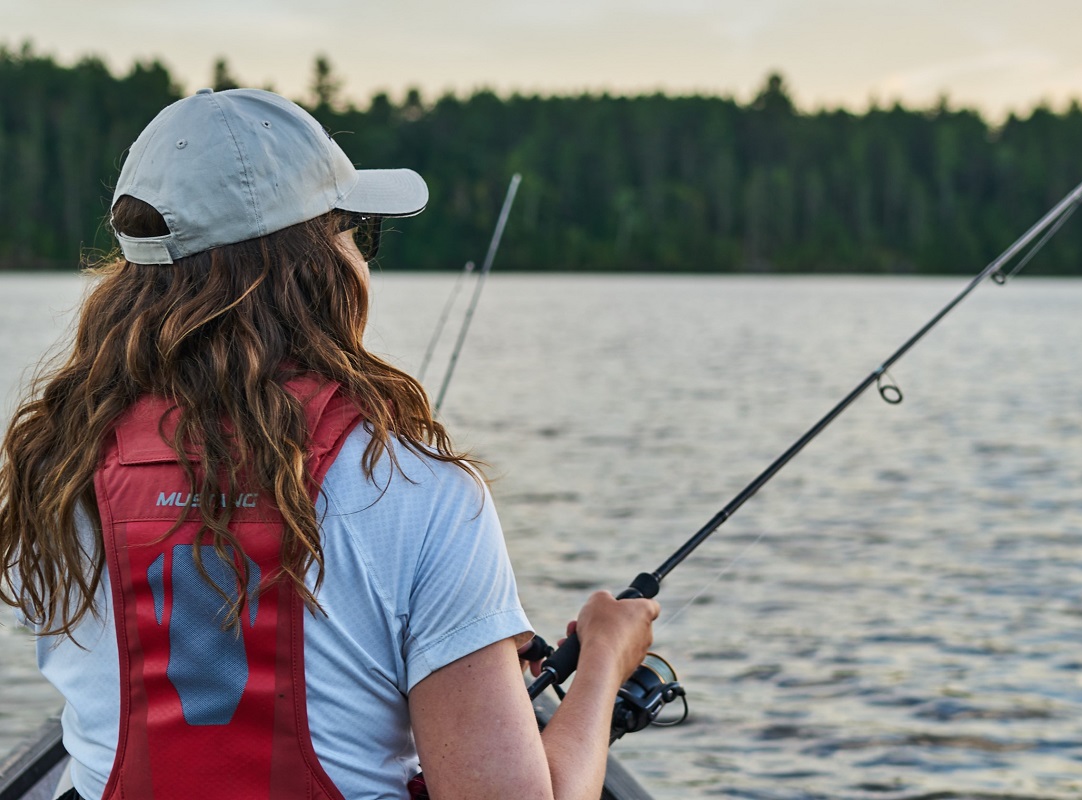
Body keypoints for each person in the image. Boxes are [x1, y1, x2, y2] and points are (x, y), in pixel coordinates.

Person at [0, 88, 658, 800]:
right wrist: (603, 660)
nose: (361, 258)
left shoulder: (52, 473)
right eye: (356, 232)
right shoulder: (418, 492)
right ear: (316, 263)